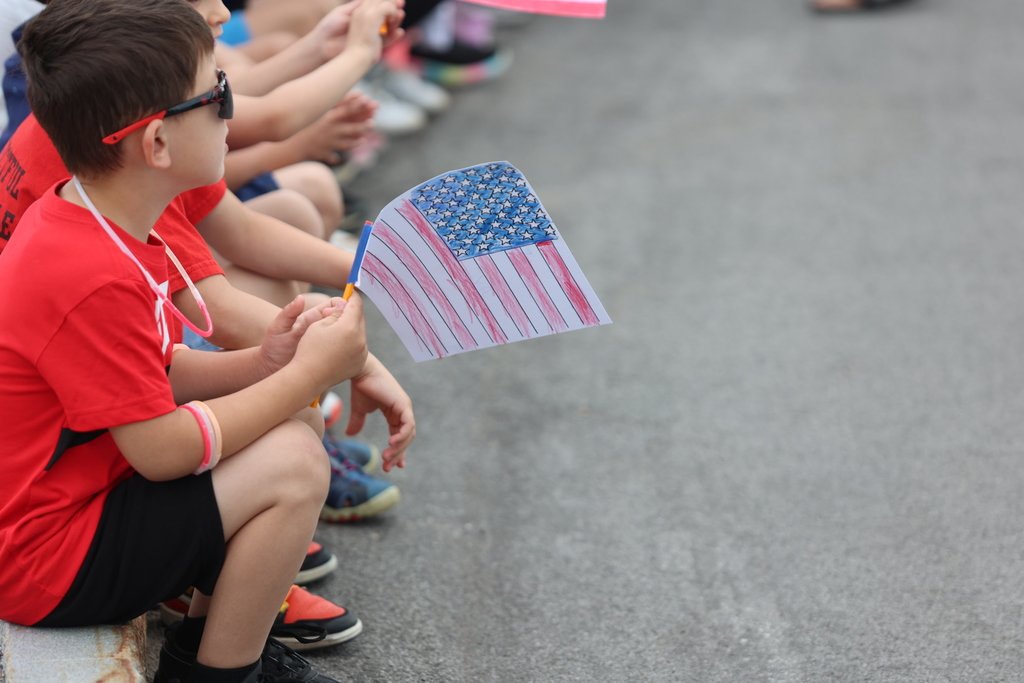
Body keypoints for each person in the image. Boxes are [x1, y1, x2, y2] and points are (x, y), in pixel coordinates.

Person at [0, 2, 412, 682]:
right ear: (157, 145)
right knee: (294, 459)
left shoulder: (111, 215)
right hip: (45, 558)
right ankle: (219, 672)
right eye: (217, 91)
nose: (231, 105)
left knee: (294, 417)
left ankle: (217, 643)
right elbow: (161, 451)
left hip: (73, 504)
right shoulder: (89, 267)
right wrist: (305, 371)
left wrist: (269, 361)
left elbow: (160, 366)